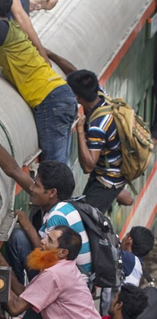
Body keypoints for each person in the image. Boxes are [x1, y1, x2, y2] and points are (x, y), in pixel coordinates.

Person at [0, 158, 92, 319]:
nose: (32, 189)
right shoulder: (65, 208)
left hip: (60, 297)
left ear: (52, 192)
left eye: (36, 185)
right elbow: (13, 170)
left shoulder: (56, 220)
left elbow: (15, 308)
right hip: (68, 293)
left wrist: (0, 265)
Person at [0, 0, 77, 163]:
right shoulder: (12, 29)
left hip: (48, 99)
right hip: (58, 92)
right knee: (59, 164)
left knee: (54, 168)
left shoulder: (1, 30)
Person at [47, 59, 126, 212]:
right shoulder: (102, 96)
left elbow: (88, 166)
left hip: (107, 181)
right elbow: (76, 75)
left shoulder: (98, 126)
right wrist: (50, 54)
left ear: (77, 97)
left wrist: (80, 130)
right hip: (109, 171)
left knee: (86, 219)